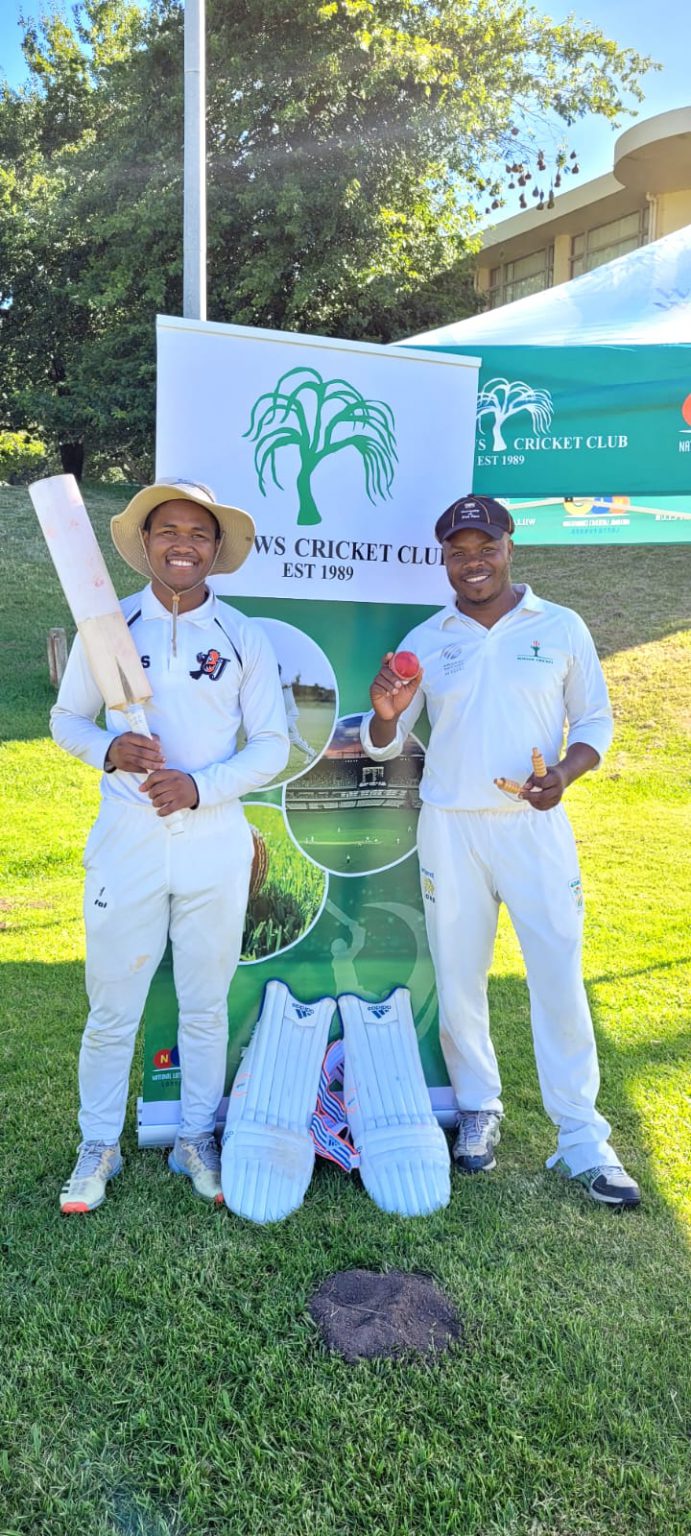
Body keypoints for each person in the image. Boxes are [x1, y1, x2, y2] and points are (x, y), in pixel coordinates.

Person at [362, 494, 640, 1209]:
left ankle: (580, 1135)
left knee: (556, 975)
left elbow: (596, 718)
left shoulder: (560, 625)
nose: (472, 561)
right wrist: (388, 717)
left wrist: (565, 776)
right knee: (458, 979)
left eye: (484, 546)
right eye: (457, 551)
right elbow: (385, 743)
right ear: (443, 560)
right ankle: (479, 1107)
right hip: (449, 827)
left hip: (532, 825)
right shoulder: (427, 639)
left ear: (509, 545)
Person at [52, 479, 289, 1213]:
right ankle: (98, 1145)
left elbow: (273, 745)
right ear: (146, 545)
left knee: (204, 1003)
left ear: (215, 550)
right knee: (113, 1006)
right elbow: (66, 720)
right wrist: (109, 749)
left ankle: (195, 1136)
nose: (182, 543)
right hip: (127, 841)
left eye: (197, 533)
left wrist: (200, 787)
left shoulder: (244, 635)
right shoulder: (108, 627)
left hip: (213, 840)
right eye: (167, 532)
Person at [279, 666, 316, 762]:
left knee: (277, 732)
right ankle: (312, 753)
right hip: (284, 715)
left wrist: (297, 677)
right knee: (295, 739)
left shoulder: (283, 680)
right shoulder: (273, 681)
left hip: (290, 714)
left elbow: (288, 683)